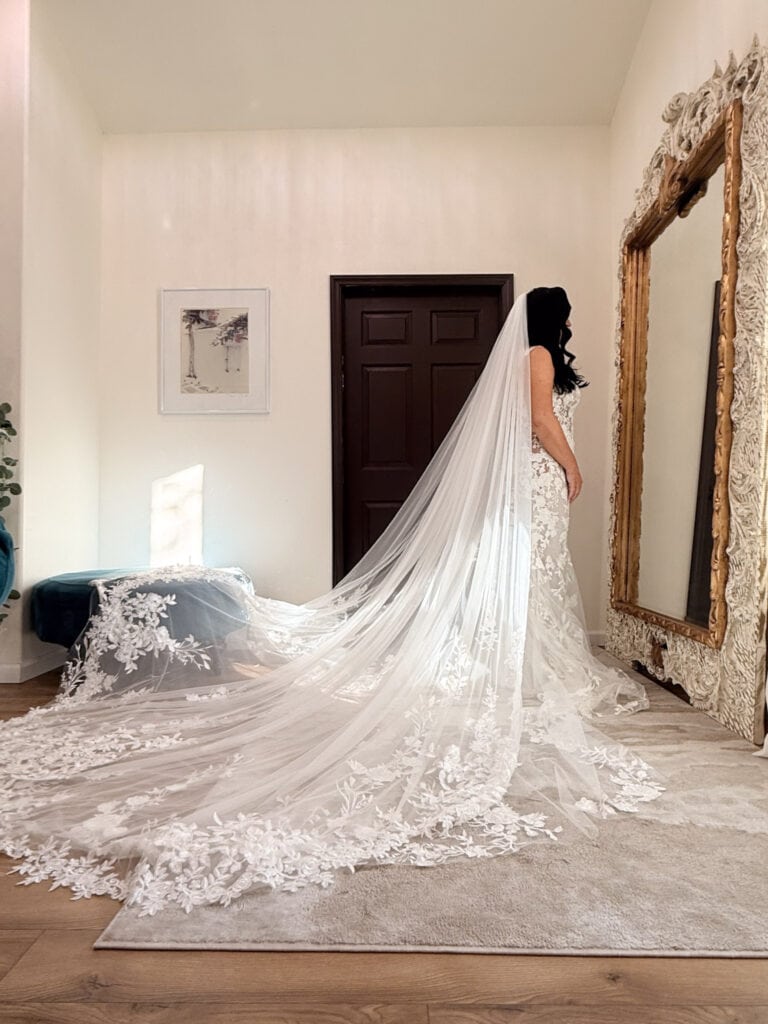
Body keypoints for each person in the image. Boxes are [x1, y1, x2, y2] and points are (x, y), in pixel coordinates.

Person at [0, 289, 665, 915]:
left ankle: (524, 667)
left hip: (537, 484)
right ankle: (526, 670)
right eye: (568, 315)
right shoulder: (539, 355)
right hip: (543, 478)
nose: (571, 325)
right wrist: (574, 466)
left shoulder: (529, 355)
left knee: (537, 576)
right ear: (553, 319)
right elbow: (543, 419)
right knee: (535, 575)